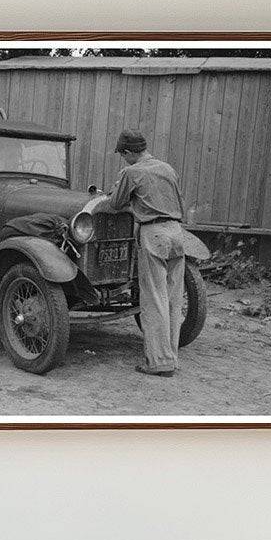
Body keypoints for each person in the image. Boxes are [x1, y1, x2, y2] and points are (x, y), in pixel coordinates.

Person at [107, 129, 187, 377]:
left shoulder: (132, 172)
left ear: (129, 152)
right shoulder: (167, 168)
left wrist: (123, 192)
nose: (124, 159)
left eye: (123, 155)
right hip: (177, 232)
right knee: (173, 299)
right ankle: (171, 358)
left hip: (154, 234)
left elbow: (114, 204)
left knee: (153, 299)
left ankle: (159, 362)